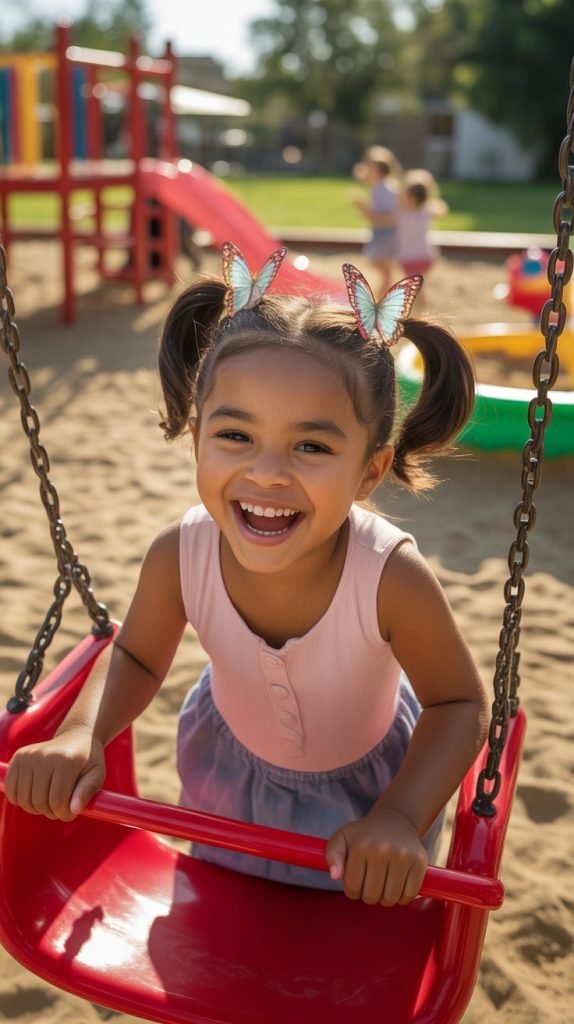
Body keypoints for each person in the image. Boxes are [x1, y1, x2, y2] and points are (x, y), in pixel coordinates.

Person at [4, 242, 488, 908]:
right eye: (236, 436)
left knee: (342, 942)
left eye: (312, 446)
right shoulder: (181, 553)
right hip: (227, 776)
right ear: (198, 435)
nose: (267, 473)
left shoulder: (389, 576)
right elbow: (137, 654)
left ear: (370, 471)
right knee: (234, 919)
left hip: (371, 798)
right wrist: (83, 733)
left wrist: (400, 817)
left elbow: (459, 705)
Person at [351, 145, 401, 298]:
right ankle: (383, 296)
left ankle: (382, 298)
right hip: (382, 232)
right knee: (382, 267)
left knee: (383, 268)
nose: (364, 167)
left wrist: (364, 209)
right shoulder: (379, 186)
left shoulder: (386, 189)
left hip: (386, 234)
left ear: (378, 169)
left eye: (368, 165)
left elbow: (390, 217)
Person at [397, 168, 449, 280]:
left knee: (414, 288)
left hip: (409, 257)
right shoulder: (427, 210)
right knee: (417, 287)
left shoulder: (402, 213)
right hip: (426, 256)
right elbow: (442, 208)